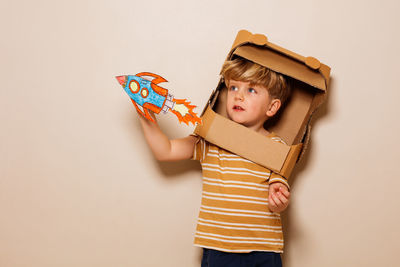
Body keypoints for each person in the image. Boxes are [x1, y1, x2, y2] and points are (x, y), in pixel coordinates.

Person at [138, 56, 291, 267]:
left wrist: (279, 198)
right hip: (219, 249)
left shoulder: (277, 146)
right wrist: (145, 116)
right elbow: (166, 151)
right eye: (234, 88)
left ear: (272, 107)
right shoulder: (210, 141)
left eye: (251, 90)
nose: (238, 97)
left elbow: (279, 187)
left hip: (263, 249)